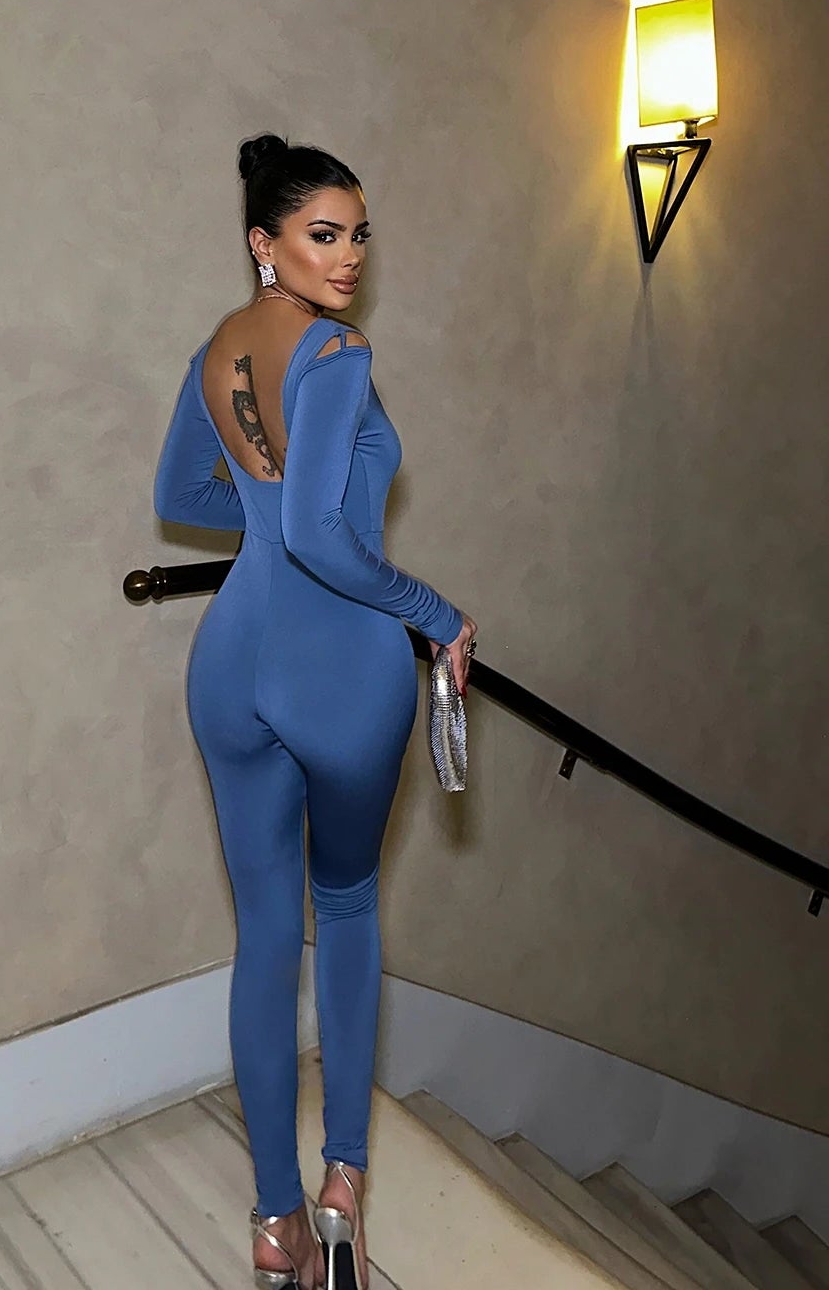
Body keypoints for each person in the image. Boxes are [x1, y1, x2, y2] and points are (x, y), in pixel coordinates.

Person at [153, 133, 477, 1290]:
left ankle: (273, 1221)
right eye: (322, 235)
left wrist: (269, 499)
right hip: (338, 667)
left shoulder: (218, 350)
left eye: (358, 236)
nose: (348, 257)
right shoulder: (337, 352)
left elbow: (182, 495)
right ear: (266, 242)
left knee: (260, 939)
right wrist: (435, 611)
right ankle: (343, 1186)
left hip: (230, 665)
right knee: (342, 909)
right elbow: (320, 538)